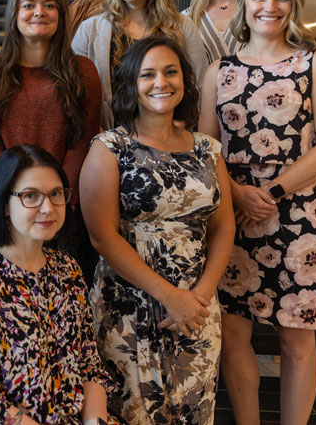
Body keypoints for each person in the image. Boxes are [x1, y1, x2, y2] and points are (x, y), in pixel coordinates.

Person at [198, 0, 316, 424]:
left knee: (297, 340)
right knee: (234, 334)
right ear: (244, 3)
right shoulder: (218, 72)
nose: (271, 7)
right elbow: (206, 149)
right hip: (232, 217)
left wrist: (274, 191)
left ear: (293, 4)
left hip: (298, 218)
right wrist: (238, 192)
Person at [79, 35, 235, 424]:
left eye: (170, 72)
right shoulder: (110, 147)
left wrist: (200, 295)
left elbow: (223, 224)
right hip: (129, 307)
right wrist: (169, 296)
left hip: (197, 309)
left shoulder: (208, 149)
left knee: (193, 410)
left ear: (185, 80)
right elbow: (102, 236)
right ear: (131, 85)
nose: (161, 82)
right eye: (147, 75)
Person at [0, 145, 120, 425]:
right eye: (30, 196)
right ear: (3, 204)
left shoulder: (67, 270)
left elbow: (90, 368)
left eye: (56, 194)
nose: (47, 208)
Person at [0, 0, 101, 247]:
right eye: (28, 5)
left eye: (49, 5)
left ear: (60, 15)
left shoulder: (84, 71)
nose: (39, 12)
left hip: (61, 205)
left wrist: (55, 196)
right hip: (0, 202)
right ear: (14, 14)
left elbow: (82, 141)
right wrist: (19, 195)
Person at [71, 0, 208, 129]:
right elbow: (75, 92)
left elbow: (199, 84)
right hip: (111, 143)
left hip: (170, 142)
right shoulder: (89, 30)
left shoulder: (182, 25)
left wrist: (184, 126)